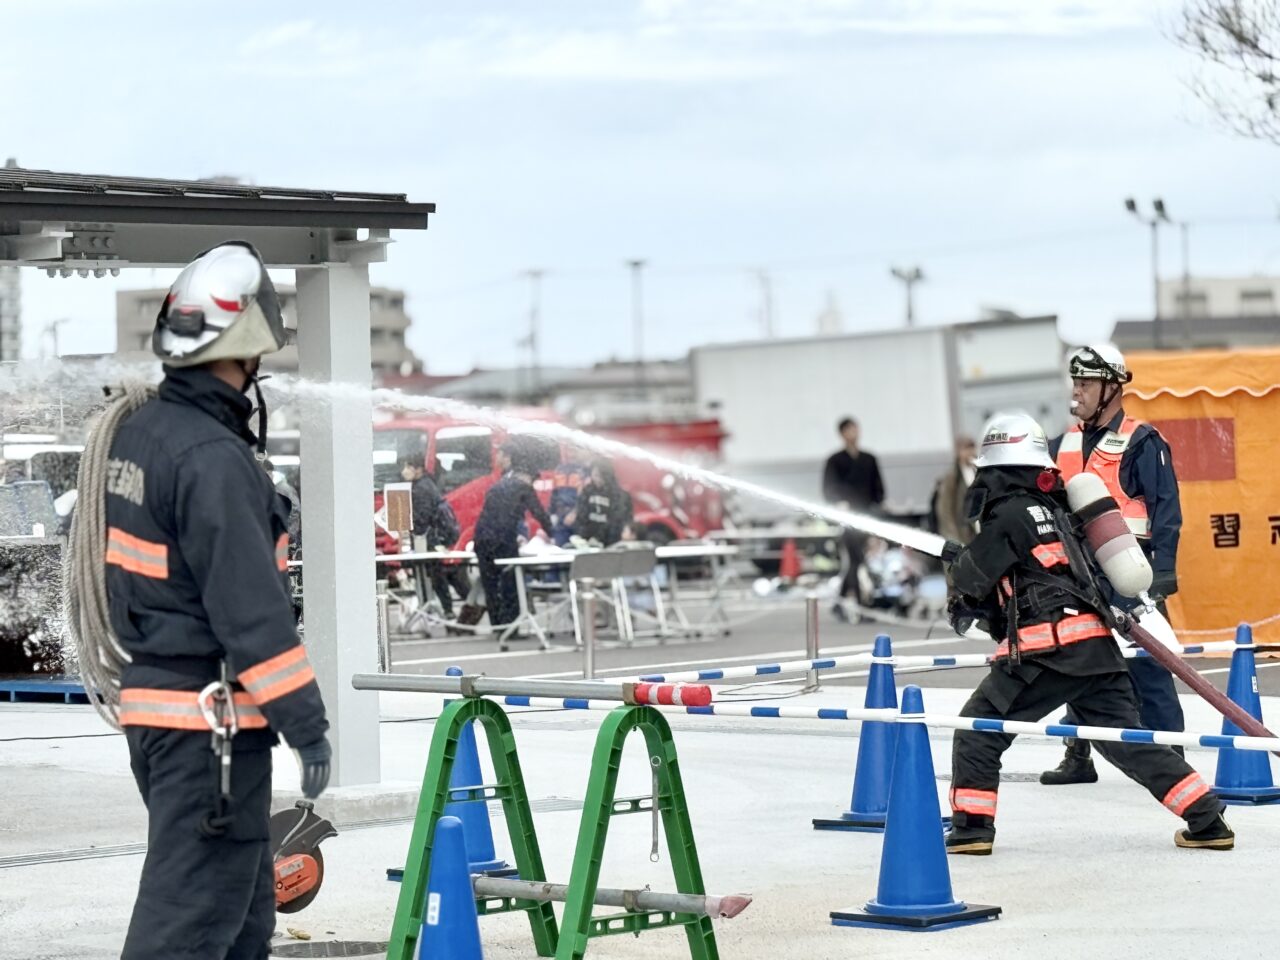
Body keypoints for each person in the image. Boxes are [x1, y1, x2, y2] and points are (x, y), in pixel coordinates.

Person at [89, 242, 331, 957]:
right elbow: (251, 615)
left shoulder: (143, 436)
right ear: (249, 344)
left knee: (245, 917)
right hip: (209, 736)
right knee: (188, 929)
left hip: (165, 719)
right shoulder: (212, 460)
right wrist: (308, 727)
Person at [939, 413, 1231, 856]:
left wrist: (955, 561)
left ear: (997, 471)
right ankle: (1208, 819)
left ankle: (971, 829)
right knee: (1127, 742)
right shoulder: (1058, 511)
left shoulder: (1009, 514)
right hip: (1096, 647)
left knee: (977, 732)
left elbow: (972, 579)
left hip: (1047, 652)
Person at [1041, 343, 1185, 785]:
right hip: (1074, 575)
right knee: (1078, 662)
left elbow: (1166, 511)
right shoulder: (1061, 443)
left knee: (1148, 666)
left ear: (1111, 387)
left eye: (1085, 383)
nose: (1077, 391)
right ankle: (1078, 755)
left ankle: (1174, 761)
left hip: (1127, 573)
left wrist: (1161, 575)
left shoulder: (1143, 441)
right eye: (1076, 382)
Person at [473, 440, 552, 631]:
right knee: (510, 582)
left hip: (482, 538)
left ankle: (498, 626)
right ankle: (511, 626)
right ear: (526, 476)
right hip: (502, 540)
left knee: (490, 584)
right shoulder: (522, 487)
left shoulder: (498, 486)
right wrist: (552, 535)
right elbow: (540, 514)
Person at [822, 416, 885, 622]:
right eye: (849, 430)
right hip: (848, 517)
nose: (854, 433)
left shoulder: (869, 459)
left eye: (855, 429)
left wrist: (877, 510)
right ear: (841, 434)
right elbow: (829, 489)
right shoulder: (835, 461)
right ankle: (860, 607)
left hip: (866, 515)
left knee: (859, 560)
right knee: (856, 558)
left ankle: (840, 602)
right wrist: (840, 504)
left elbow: (878, 490)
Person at [400, 458, 468, 618]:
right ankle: (461, 603)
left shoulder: (420, 489)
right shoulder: (428, 484)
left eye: (408, 466)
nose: (404, 471)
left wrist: (411, 529)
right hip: (437, 537)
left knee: (436, 574)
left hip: (429, 539)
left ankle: (448, 609)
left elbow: (422, 518)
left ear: (418, 469)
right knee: (445, 572)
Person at [567, 459, 633, 546]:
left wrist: (599, 538)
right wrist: (582, 536)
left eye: (600, 476)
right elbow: (581, 515)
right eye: (594, 475)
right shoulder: (587, 491)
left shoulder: (619, 495)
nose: (597, 479)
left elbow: (616, 521)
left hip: (609, 542)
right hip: (586, 540)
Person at [933, 436, 978, 546]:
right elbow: (945, 510)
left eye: (972, 448)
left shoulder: (978, 471)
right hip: (963, 534)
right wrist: (953, 539)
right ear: (958, 452)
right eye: (966, 449)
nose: (970, 452)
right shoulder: (952, 478)